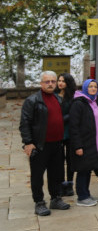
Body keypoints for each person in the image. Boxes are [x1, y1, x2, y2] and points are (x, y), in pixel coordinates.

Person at [20, 71, 70, 215]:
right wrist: (28, 142)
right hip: (40, 145)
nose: (50, 84)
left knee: (56, 174)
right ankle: (39, 202)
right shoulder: (32, 100)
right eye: (47, 82)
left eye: (53, 81)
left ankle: (55, 199)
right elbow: (25, 123)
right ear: (41, 83)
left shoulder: (58, 99)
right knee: (37, 176)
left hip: (57, 144)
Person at [69, 79, 98, 207]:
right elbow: (74, 126)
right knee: (83, 169)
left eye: (95, 86)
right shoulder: (78, 103)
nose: (93, 89)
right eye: (90, 87)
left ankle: (86, 193)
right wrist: (78, 146)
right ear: (84, 88)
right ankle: (82, 197)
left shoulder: (94, 102)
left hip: (94, 142)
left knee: (88, 169)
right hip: (83, 143)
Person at [57, 73, 78, 197]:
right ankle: (60, 184)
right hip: (57, 131)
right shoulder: (54, 96)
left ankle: (70, 184)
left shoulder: (74, 97)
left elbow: (73, 113)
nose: (60, 83)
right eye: (59, 80)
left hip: (70, 130)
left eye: (63, 81)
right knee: (59, 160)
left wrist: (61, 119)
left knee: (70, 159)